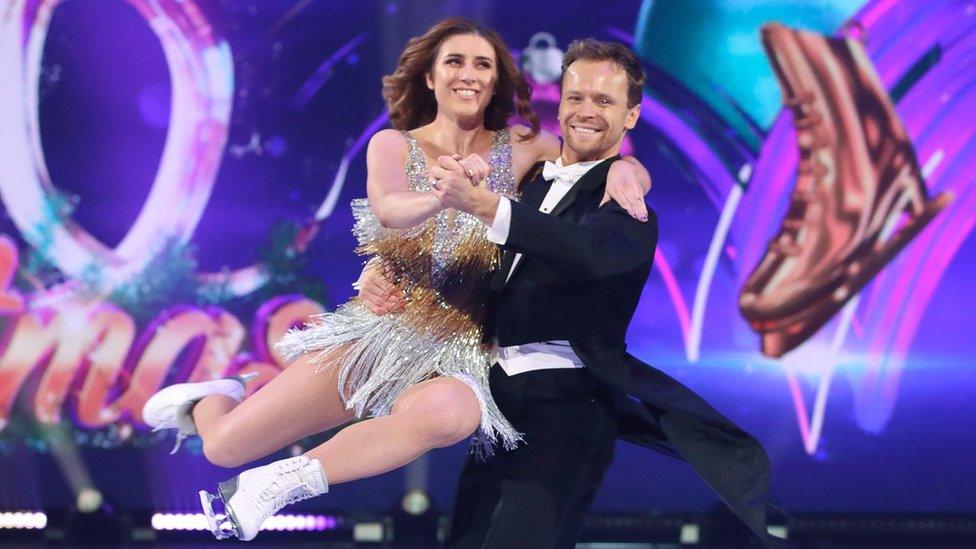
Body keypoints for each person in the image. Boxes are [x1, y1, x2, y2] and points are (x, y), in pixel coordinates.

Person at [139, 18, 651, 541]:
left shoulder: (522, 146)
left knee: (451, 414)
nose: (468, 75)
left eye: (482, 65)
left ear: (497, 80)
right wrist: (448, 195)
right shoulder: (391, 145)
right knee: (225, 446)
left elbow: (592, 162)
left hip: (467, 350)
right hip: (384, 332)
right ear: (430, 77)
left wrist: (627, 172)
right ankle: (216, 395)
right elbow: (389, 209)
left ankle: (276, 485)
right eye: (454, 62)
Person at [360, 38, 782, 548]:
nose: (586, 111)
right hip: (494, 402)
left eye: (605, 102)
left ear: (632, 116)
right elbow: (463, 255)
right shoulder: (529, 180)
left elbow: (585, 251)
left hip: (569, 406)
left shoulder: (626, 205)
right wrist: (386, 269)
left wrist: (494, 205)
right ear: (558, 103)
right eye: (576, 97)